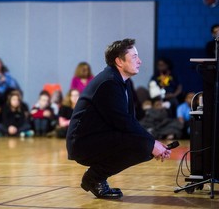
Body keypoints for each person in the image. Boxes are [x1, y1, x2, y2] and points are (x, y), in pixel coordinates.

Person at [66, 39, 171, 199]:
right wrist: (151, 143)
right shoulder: (108, 82)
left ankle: (96, 177)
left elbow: (130, 120)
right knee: (143, 146)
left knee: (145, 147)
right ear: (119, 61)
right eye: (134, 56)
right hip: (82, 143)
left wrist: (152, 143)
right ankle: (94, 178)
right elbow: (123, 122)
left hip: (99, 136)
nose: (140, 61)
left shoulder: (122, 81)